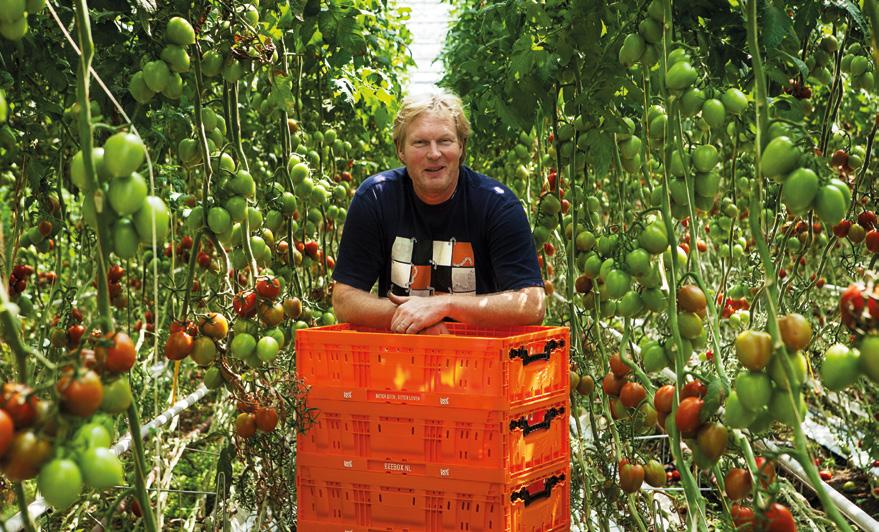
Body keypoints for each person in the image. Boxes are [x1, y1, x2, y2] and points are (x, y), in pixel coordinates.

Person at [331, 89, 545, 334]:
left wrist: (444, 305)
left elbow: (531, 304)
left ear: (461, 147)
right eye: (420, 142)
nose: (434, 154)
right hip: (401, 359)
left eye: (445, 141)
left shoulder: (497, 205)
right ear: (400, 150)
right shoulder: (376, 199)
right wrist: (413, 319)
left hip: (480, 358)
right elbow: (344, 299)